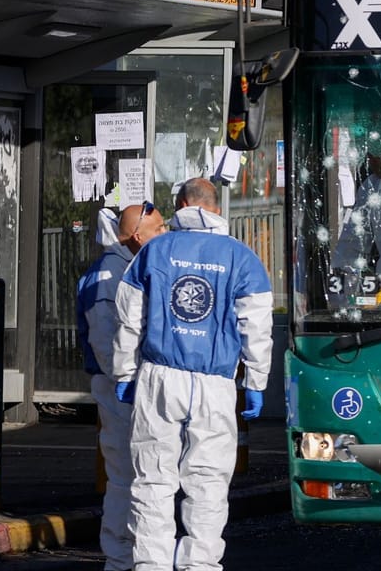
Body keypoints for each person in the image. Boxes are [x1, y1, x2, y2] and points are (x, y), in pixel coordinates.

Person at [112, 177, 273, 571]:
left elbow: (128, 317)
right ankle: (199, 565)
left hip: (160, 376)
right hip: (216, 383)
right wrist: (255, 382)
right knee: (208, 482)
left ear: (182, 204)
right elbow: (257, 326)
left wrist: (124, 372)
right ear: (215, 207)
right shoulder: (242, 257)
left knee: (152, 478)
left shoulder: (154, 251)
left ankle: (150, 564)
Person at [75, 202, 166, 571]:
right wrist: (129, 382)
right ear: (137, 236)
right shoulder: (110, 276)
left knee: (136, 475)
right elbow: (106, 340)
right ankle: (119, 557)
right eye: (159, 228)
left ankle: (129, 555)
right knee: (126, 477)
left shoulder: (128, 267)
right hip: (120, 387)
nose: (165, 234)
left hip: (130, 384)